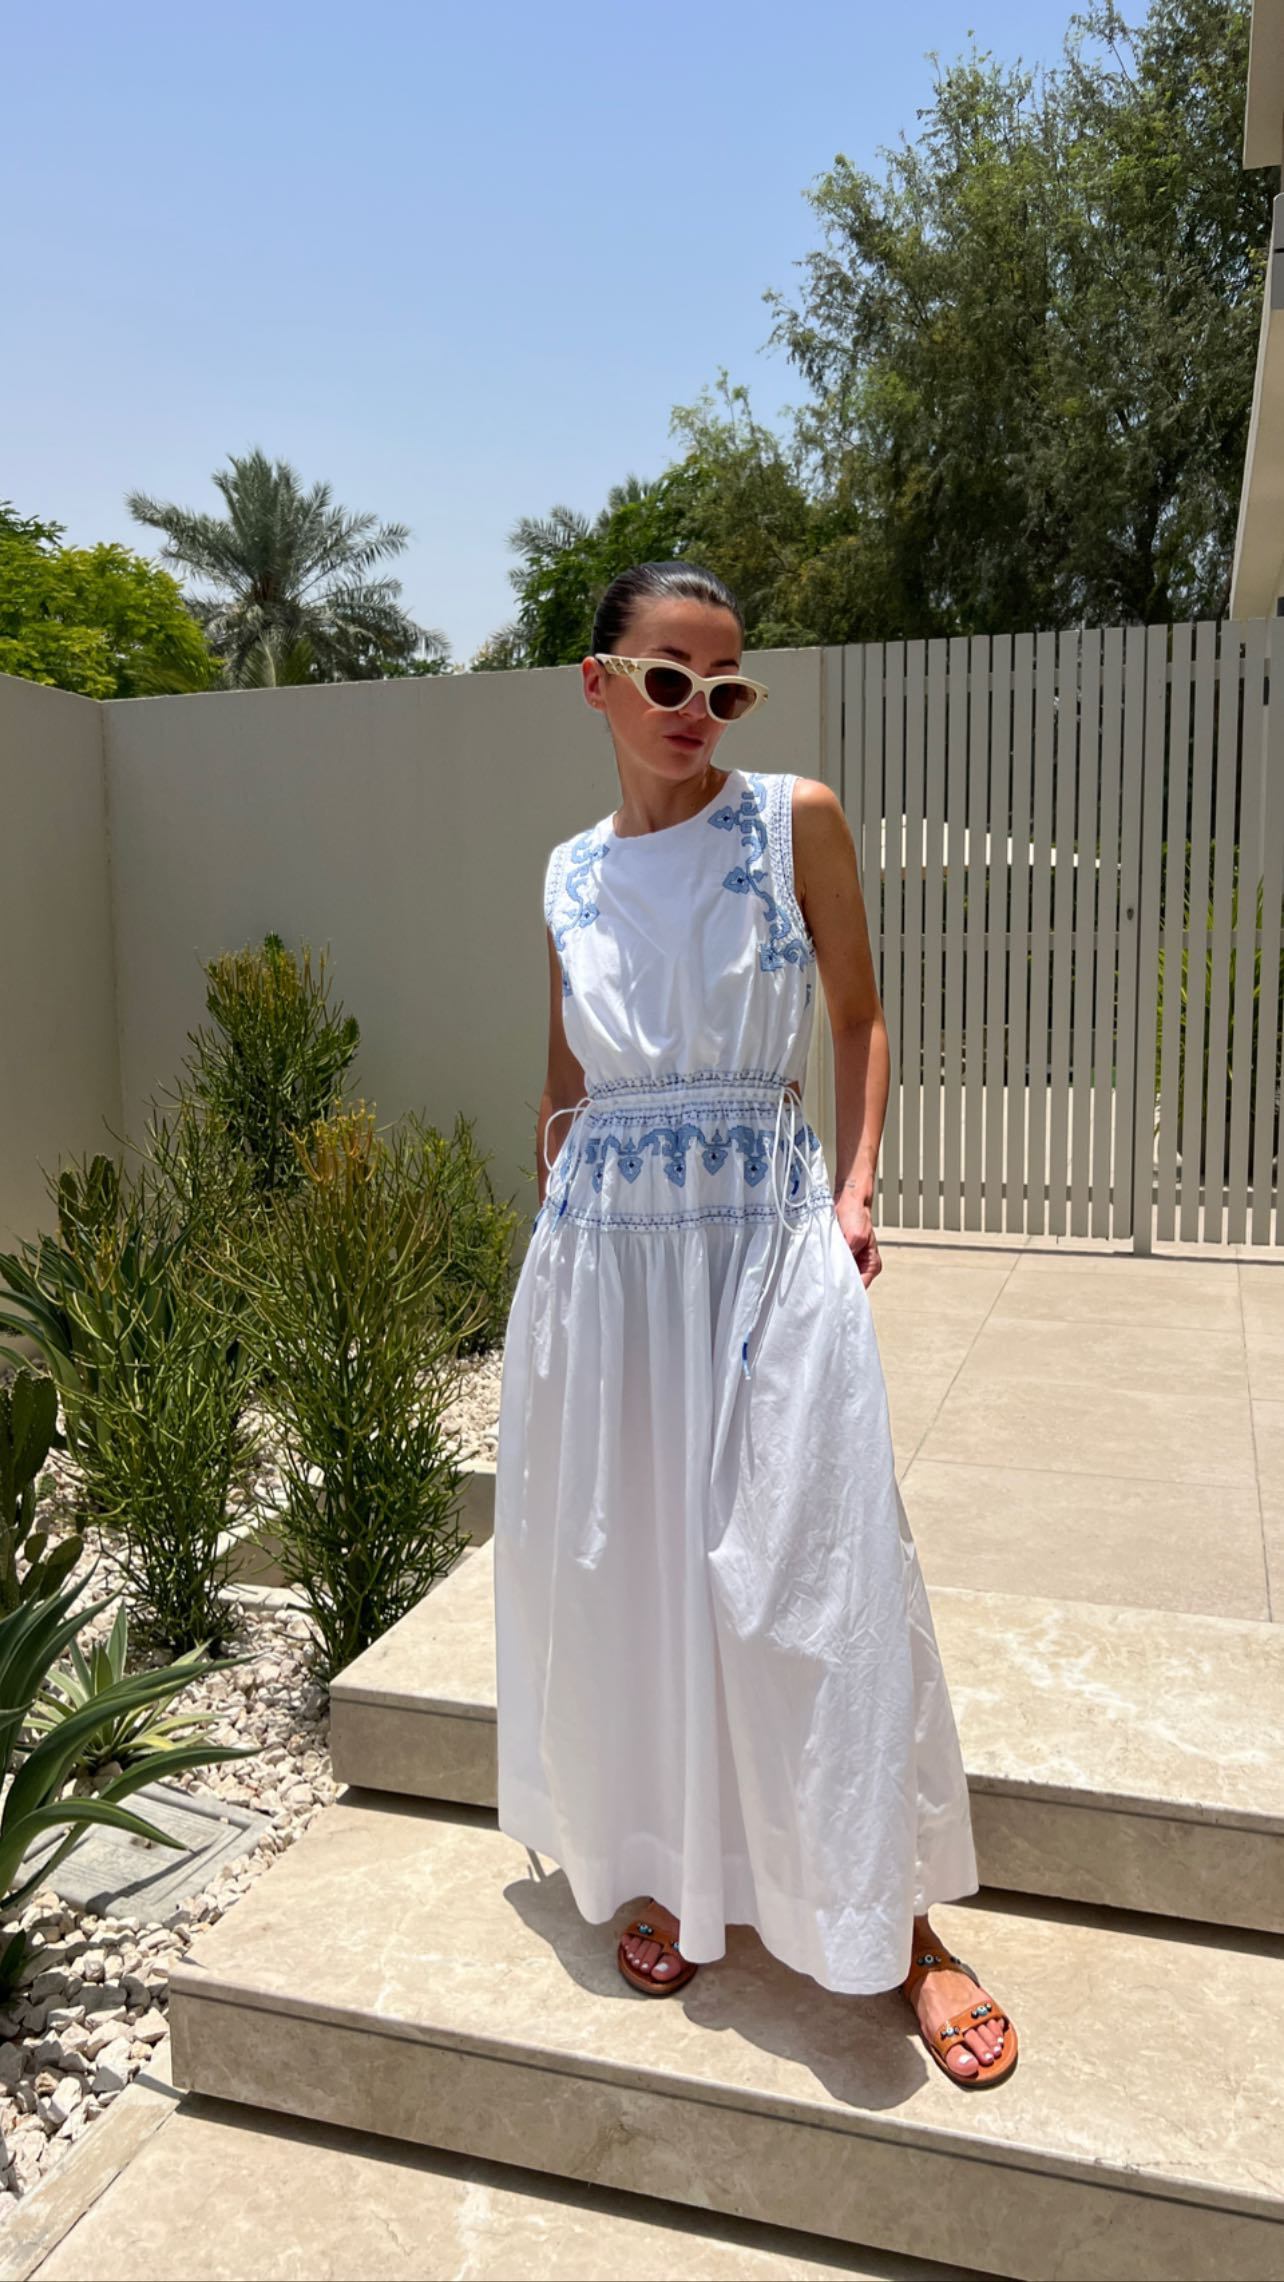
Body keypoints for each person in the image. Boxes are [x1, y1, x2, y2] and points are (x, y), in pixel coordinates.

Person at [492, 561, 1018, 2088]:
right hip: (610, 1262)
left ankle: (896, 1921)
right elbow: (564, 1077)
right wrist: (555, 1248)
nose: (697, 711)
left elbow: (859, 1016)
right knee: (640, 1569)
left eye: (724, 686)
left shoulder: (794, 819)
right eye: (668, 678)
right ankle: (680, 1867)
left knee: (816, 1568)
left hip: (765, 1232)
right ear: (598, 682)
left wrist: (856, 1186)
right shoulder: (564, 874)